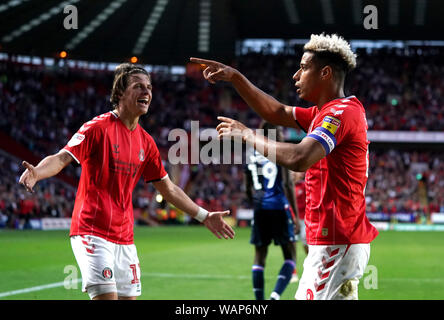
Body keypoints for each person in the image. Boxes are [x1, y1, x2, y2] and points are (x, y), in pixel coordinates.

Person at [19, 63, 235, 300]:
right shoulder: (97, 128)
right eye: (138, 87)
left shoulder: (146, 143)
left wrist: (204, 216)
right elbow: (62, 157)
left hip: (125, 238)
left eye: (149, 88)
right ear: (120, 93)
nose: (146, 92)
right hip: (92, 230)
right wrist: (37, 172)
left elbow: (169, 189)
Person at [191, 33, 379, 300]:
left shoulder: (341, 113)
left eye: (303, 68)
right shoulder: (322, 114)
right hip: (334, 241)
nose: (295, 75)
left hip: (337, 241)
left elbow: (300, 157)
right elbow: (276, 112)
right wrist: (236, 78)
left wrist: (247, 134)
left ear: (325, 73)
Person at [245, 121, 299, 300]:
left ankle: (259, 302)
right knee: (291, 255)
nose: (283, 134)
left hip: (260, 207)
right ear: (274, 134)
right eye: (281, 131)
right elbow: (287, 183)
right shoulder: (279, 150)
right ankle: (275, 297)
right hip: (278, 206)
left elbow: (248, 188)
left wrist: (256, 203)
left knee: (259, 257)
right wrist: (296, 215)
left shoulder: (252, 153)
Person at [289, 170, 307, 284]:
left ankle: (313, 268)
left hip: (305, 220)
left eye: (295, 172)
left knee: (307, 247)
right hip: (292, 220)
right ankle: (293, 273)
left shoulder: (304, 186)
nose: (292, 174)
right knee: (292, 246)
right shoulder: (286, 187)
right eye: (291, 172)